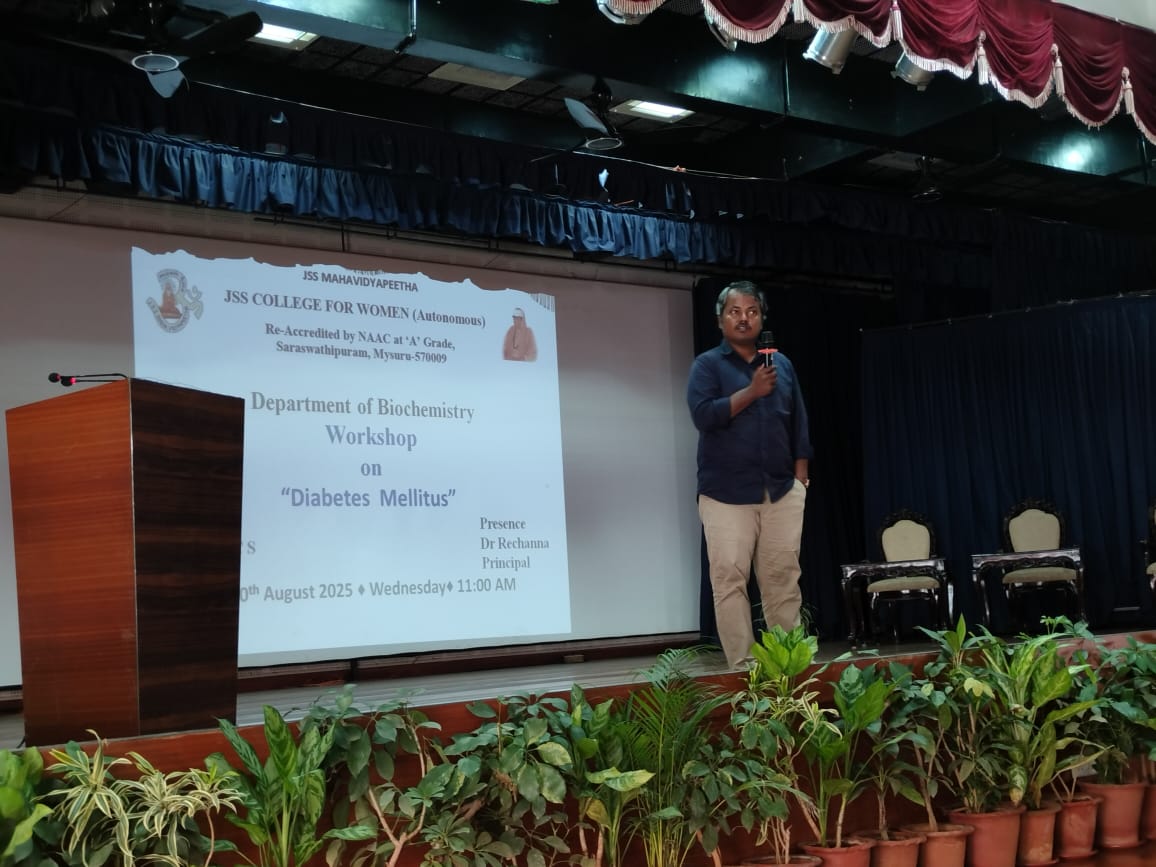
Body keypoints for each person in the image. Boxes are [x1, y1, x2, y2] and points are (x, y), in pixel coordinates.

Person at [686, 280, 812, 669]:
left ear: (762, 318)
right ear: (720, 320)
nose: (744, 319)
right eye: (735, 312)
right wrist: (751, 392)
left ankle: (787, 667)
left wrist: (800, 480)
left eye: (752, 311)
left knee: (783, 582)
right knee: (730, 583)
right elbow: (703, 415)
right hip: (725, 495)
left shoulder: (782, 364)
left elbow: (799, 424)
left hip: (779, 491)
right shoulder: (707, 365)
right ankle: (744, 669)